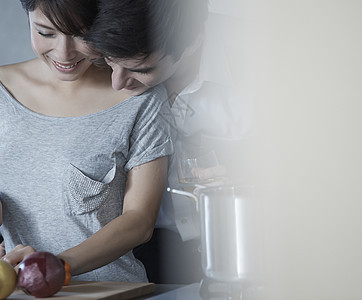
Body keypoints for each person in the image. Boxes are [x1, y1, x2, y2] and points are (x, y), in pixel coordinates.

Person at [0, 0, 175, 282]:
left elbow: (139, 221)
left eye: (82, 35)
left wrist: (53, 266)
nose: (64, 53)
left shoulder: (140, 97)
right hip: (21, 290)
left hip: (110, 290)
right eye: (45, 33)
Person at [84, 0, 253, 283]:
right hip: (137, 251)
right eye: (110, 63)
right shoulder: (96, 53)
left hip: (244, 242)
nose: (116, 83)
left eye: (140, 69)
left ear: (193, 41)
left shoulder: (262, 58)